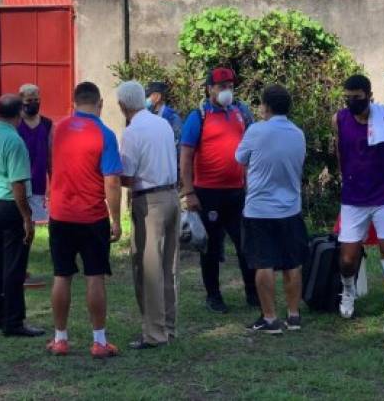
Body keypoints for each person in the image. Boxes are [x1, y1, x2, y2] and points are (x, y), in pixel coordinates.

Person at [46, 82, 123, 359]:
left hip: (61, 214)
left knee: (61, 275)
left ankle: (60, 339)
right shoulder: (105, 134)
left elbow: (52, 166)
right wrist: (116, 219)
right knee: (95, 276)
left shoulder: (58, 129)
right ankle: (99, 341)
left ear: (74, 101)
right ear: (100, 103)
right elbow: (112, 180)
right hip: (92, 216)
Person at [333, 74, 384, 340]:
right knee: (347, 258)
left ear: (368, 95)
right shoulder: (340, 119)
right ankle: (347, 289)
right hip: (353, 197)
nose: (351, 102)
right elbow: (340, 152)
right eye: (347, 97)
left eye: (356, 97)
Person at [180, 67, 257, 313]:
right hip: (207, 193)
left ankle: (252, 293)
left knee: (245, 244)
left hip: (236, 192)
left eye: (230, 86)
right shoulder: (198, 116)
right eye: (222, 86)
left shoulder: (239, 113)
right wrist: (189, 192)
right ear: (210, 88)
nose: (227, 91)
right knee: (211, 247)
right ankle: (213, 296)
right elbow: (186, 155)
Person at [236, 85, 308, 335]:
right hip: (290, 208)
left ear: (265, 106)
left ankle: (270, 318)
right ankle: (294, 314)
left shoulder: (256, 130)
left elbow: (239, 157)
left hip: (259, 210)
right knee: (292, 263)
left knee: (263, 263)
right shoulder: (298, 133)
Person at [0, 94, 44, 337]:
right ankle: (13, 321)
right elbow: (18, 184)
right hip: (9, 206)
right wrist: (27, 216)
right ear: (19, 114)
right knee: (14, 266)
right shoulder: (15, 141)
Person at [117, 81, 180, 349]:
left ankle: (154, 333)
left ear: (122, 106)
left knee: (148, 267)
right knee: (169, 265)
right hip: (172, 196)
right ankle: (168, 326)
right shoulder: (162, 123)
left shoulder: (132, 132)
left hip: (149, 201)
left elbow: (127, 176)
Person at [17, 84, 53, 224]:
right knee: (17, 221)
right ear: (21, 101)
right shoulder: (15, 122)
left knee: (32, 223)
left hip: (38, 181)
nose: (33, 103)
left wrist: (52, 181)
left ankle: (27, 246)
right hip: (17, 180)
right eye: (29, 100)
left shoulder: (47, 124)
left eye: (36, 100)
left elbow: (50, 155)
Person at [145, 81, 182, 152]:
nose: (146, 100)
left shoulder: (172, 118)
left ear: (157, 97)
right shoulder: (148, 115)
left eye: (148, 96)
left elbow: (178, 146)